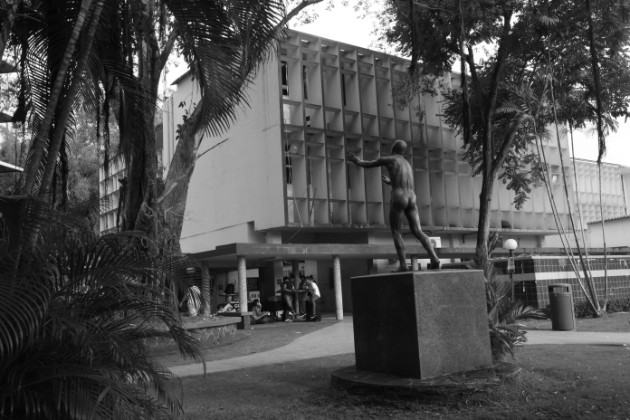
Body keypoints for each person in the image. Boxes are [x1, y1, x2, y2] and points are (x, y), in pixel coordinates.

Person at [347, 139, 440, 271]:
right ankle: (434, 257)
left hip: (399, 197)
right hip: (412, 197)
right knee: (418, 231)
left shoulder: (390, 159)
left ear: (393, 148)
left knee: (396, 232)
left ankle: (403, 265)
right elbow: (405, 182)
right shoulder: (407, 164)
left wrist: (357, 160)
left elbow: (368, 164)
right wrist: (392, 182)